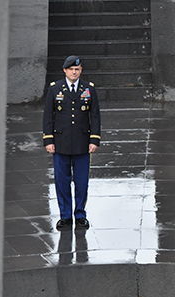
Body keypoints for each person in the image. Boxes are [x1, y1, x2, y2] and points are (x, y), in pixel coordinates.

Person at [43, 55, 101, 230]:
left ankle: (80, 214)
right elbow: (48, 116)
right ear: (65, 71)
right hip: (60, 142)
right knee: (62, 181)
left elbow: (95, 116)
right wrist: (48, 140)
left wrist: (94, 139)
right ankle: (65, 216)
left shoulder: (88, 89)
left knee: (82, 181)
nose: (74, 72)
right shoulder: (55, 89)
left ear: (81, 70)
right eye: (71, 70)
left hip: (83, 142)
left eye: (77, 69)